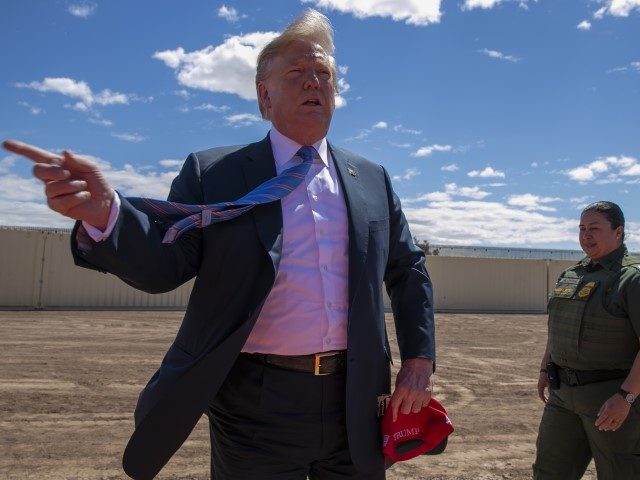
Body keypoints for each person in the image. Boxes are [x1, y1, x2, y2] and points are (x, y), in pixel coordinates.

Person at [3, 9, 436, 480]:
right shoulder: (215, 174)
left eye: (324, 74)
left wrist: (418, 359)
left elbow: (408, 269)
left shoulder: (371, 178)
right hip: (255, 402)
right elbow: (165, 264)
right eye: (297, 72)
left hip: (356, 398)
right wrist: (107, 216)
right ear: (263, 94)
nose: (314, 82)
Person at [533, 201, 640, 479]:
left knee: (620, 473)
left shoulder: (632, 279)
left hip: (611, 398)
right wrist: (546, 368)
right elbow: (555, 327)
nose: (586, 235)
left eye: (594, 228)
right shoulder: (572, 275)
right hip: (563, 396)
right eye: (582, 228)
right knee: (549, 472)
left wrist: (626, 397)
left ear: (619, 232)